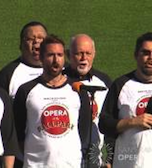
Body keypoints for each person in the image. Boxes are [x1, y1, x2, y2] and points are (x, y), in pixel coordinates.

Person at [98, 32, 152, 168]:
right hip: (129, 164)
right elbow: (104, 124)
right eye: (146, 53)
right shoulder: (121, 85)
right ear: (136, 55)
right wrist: (132, 122)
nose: (151, 58)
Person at [13, 35, 91, 168]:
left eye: (59, 55)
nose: (56, 60)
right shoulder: (26, 90)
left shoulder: (78, 90)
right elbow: (17, 133)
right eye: (50, 55)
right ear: (41, 58)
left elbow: (83, 132)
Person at [63, 34, 113, 168]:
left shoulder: (105, 81)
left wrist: (109, 158)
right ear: (68, 54)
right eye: (79, 53)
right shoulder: (58, 81)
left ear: (94, 54)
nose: (84, 58)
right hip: (65, 159)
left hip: (96, 158)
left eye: (88, 53)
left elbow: (111, 120)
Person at [0, 21, 47, 100]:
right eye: (30, 39)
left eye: (41, 38)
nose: (36, 41)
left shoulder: (64, 70)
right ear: (21, 45)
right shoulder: (7, 74)